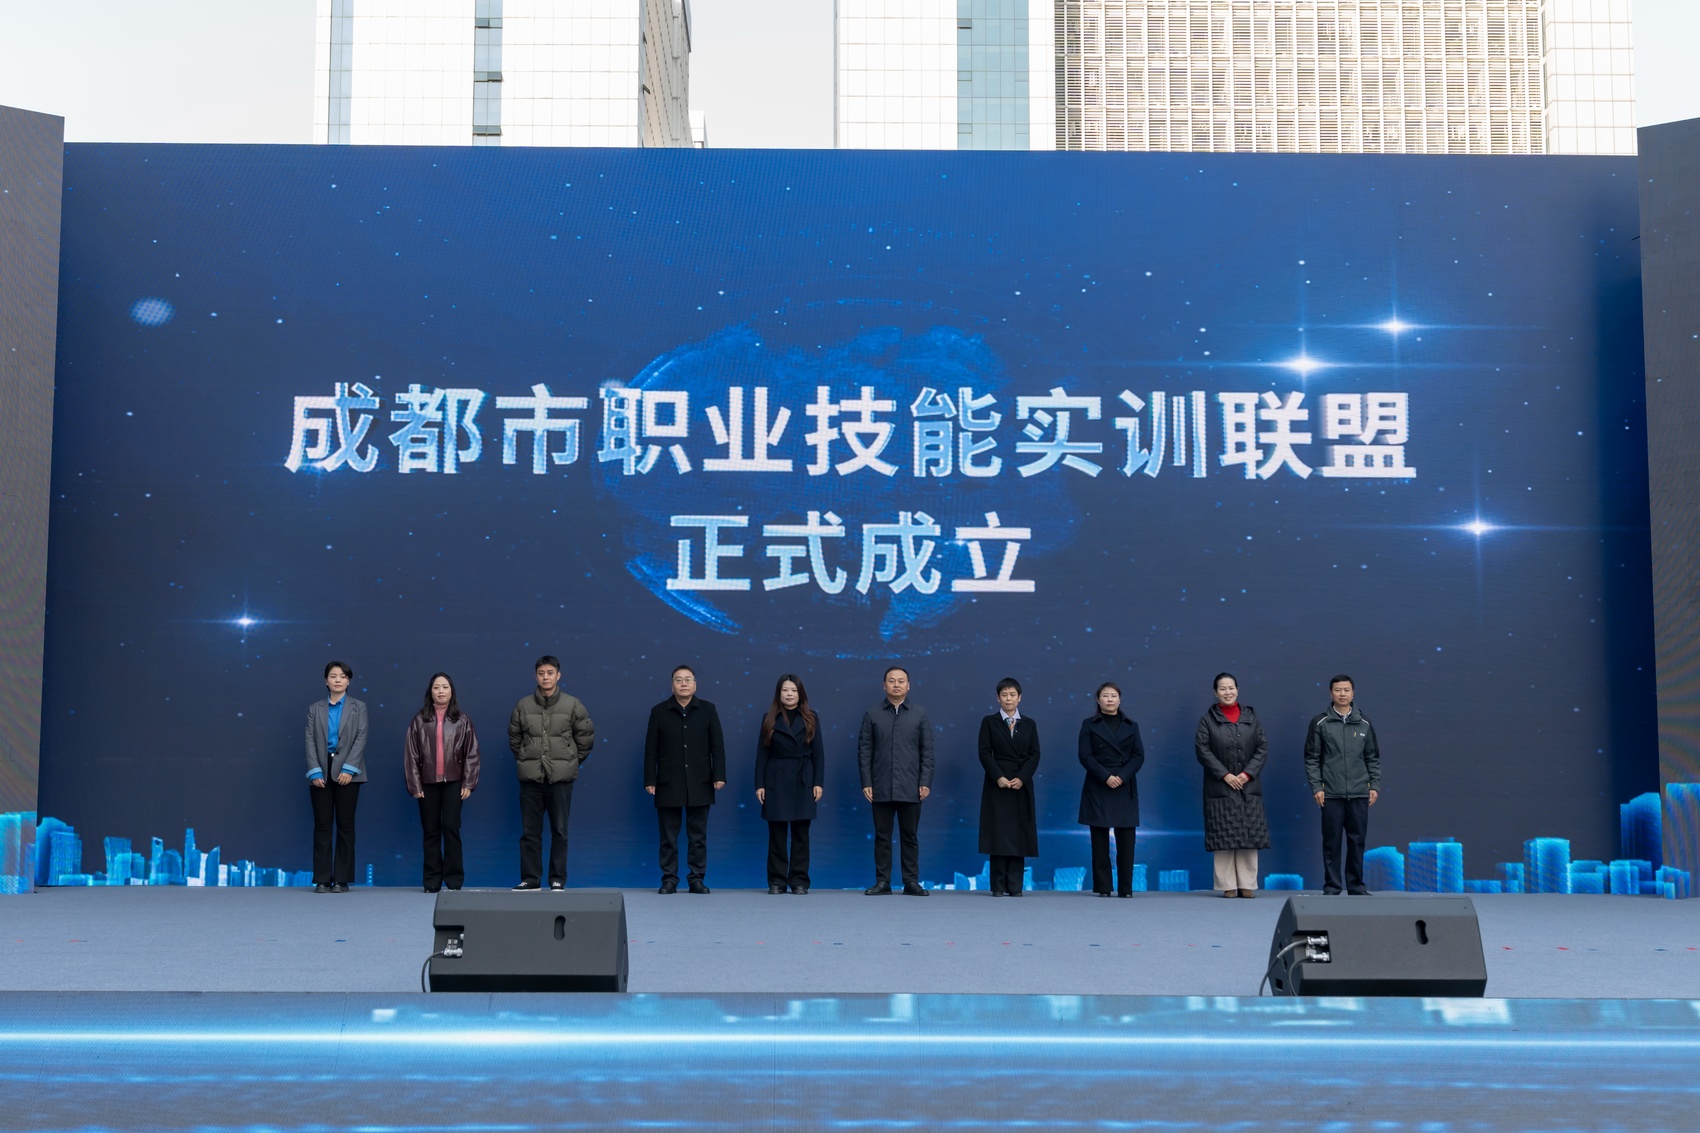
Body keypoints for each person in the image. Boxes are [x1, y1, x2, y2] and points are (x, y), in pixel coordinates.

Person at [507, 655, 595, 891]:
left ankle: (557, 879)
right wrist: (526, 758)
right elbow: (515, 738)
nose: (545, 677)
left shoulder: (573, 705)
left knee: (560, 831)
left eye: (550, 673)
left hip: (560, 779)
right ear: (536, 676)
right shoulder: (523, 705)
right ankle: (531, 879)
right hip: (531, 779)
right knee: (530, 832)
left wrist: (569, 762)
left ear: (558, 675)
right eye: (541, 673)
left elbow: (585, 737)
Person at [644, 664, 727, 894]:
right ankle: (669, 879)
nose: (683, 683)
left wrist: (719, 775)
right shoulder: (659, 711)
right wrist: (650, 779)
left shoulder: (708, 710)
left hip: (701, 781)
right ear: (672, 686)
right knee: (668, 836)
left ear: (695, 685)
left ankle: (696, 879)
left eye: (688, 679)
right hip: (668, 781)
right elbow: (650, 749)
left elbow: (717, 746)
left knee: (698, 835)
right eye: (678, 680)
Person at [857, 666, 935, 896]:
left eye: (901, 681)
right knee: (882, 837)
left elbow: (928, 752)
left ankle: (911, 882)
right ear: (884, 685)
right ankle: (883, 882)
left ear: (908, 685)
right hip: (880, 785)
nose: (896, 685)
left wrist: (925, 781)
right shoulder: (872, 714)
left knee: (910, 836)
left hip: (912, 787)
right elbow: (864, 751)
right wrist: (866, 782)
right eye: (892, 681)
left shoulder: (919, 714)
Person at [404, 672, 482, 893]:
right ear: (430, 692)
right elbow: (411, 755)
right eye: (437, 687)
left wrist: (469, 782)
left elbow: (472, 753)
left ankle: (454, 880)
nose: (441, 691)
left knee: (450, 828)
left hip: (454, 783)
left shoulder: (462, 720)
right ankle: (432, 881)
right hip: (427, 783)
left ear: (451, 691)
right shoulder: (419, 720)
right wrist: (415, 785)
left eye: (445, 687)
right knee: (431, 831)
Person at [1194, 672, 1269, 899]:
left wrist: (1247, 774)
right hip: (1220, 786)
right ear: (1215, 693)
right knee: (1223, 835)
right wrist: (1225, 775)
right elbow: (1202, 750)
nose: (1228, 692)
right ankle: (1227, 885)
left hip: (1248, 784)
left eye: (1231, 688)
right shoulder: (1208, 720)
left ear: (1237, 690)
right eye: (1223, 688)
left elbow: (1262, 748)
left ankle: (1247, 884)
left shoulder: (1251, 717)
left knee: (1248, 833)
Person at [1304, 674, 1381, 896]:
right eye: (1338, 690)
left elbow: (1372, 757)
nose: (1342, 694)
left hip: (1359, 792)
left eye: (1346, 690)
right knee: (1332, 841)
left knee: (1357, 841)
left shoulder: (1364, 723)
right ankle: (1332, 886)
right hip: (1331, 793)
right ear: (1331, 693)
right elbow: (1312, 758)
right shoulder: (1320, 723)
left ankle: (1356, 885)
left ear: (1353, 693)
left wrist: (1374, 785)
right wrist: (1317, 787)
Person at [754, 674, 825, 894]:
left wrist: (818, 783)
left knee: (801, 834)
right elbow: (762, 754)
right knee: (777, 834)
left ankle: (799, 881)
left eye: (794, 690)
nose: (789, 694)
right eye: (785, 690)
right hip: (776, 778)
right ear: (779, 693)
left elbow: (819, 754)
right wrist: (760, 784)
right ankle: (776, 881)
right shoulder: (769, 718)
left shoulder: (811, 717)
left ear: (800, 694)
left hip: (804, 778)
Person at [304, 661, 367, 894]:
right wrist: (315, 771)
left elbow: (361, 738)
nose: (338, 680)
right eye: (333, 676)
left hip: (349, 771)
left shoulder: (359, 707)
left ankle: (342, 879)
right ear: (326, 681)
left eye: (342, 676)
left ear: (348, 681)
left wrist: (349, 769)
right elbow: (310, 741)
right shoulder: (315, 709)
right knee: (322, 826)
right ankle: (322, 879)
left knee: (345, 826)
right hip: (321, 769)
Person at [1077, 682, 1144, 898]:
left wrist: (1121, 777)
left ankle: (1126, 888)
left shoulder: (1131, 726)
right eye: (1105, 696)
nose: (1109, 699)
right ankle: (1103, 887)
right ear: (1098, 700)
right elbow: (1085, 756)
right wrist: (1106, 776)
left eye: (1113, 695)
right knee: (1099, 841)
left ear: (1119, 699)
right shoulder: (1089, 724)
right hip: (1099, 783)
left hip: (1124, 784)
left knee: (1126, 841)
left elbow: (1138, 756)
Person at [977, 677, 1041, 896]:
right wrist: (998, 776)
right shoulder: (989, 722)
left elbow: (1035, 754)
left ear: (1019, 698)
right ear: (998, 698)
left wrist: (1022, 778)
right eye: (1004, 695)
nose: (1008, 698)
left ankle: (1015, 886)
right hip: (997, 784)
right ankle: (997, 886)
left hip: (1021, 785)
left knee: (1018, 834)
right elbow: (984, 752)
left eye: (1012, 694)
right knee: (998, 833)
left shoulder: (1029, 724)